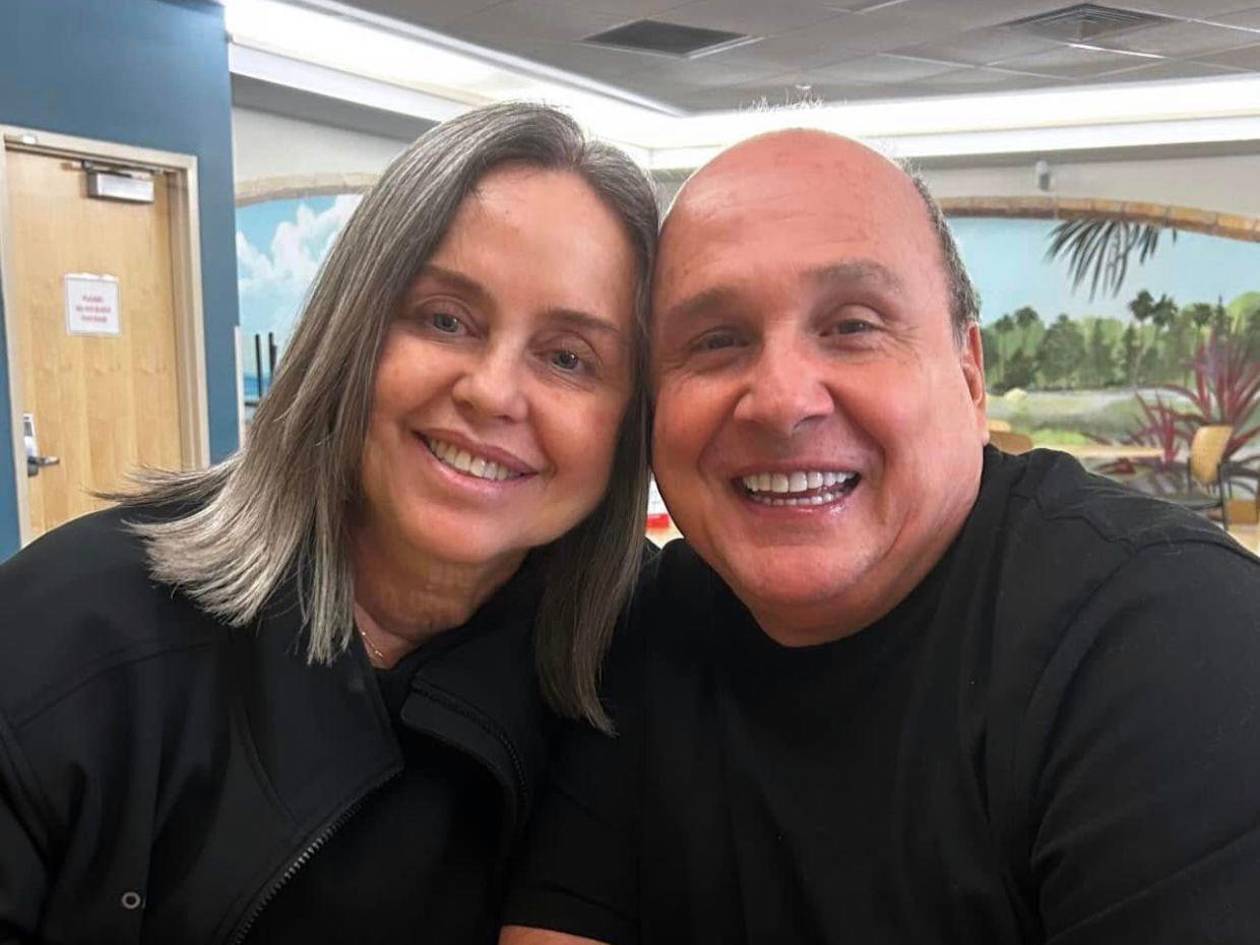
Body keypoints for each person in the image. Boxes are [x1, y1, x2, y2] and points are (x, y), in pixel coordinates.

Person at [501, 129, 1260, 944]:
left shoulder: (1167, 632)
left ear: (969, 374)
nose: (781, 400)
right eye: (717, 340)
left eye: (853, 325)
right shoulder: (639, 633)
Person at [0, 101, 658, 943]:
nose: (493, 392)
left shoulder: (640, 658)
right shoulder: (62, 641)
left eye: (569, 358)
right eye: (444, 318)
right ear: (350, 330)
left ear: (628, 421)